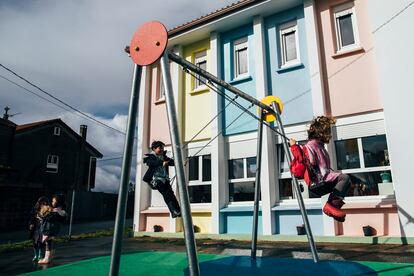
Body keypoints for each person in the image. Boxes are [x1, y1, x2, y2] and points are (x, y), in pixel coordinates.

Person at [289, 116, 351, 222]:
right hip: (317, 181)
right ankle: (330, 206)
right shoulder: (310, 146)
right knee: (344, 178)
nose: (330, 135)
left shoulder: (321, 147)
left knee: (347, 181)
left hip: (324, 178)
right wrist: (294, 147)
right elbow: (303, 159)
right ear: (321, 133)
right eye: (328, 131)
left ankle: (333, 207)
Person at [143, 141, 181, 218]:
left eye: (163, 148)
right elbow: (150, 163)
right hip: (156, 180)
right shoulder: (151, 157)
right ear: (154, 149)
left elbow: (172, 162)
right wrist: (161, 163)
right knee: (166, 194)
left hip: (165, 179)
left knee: (171, 195)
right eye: (160, 148)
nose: (162, 149)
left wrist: (180, 163)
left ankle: (178, 210)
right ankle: (173, 211)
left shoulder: (164, 157)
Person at [38, 194, 67, 264]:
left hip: (49, 229)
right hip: (52, 229)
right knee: (50, 242)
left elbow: (50, 218)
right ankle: (50, 257)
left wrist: (41, 216)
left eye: (53, 201)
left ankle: (46, 258)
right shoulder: (59, 211)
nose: (52, 202)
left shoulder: (56, 212)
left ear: (58, 202)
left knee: (48, 243)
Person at [28, 196, 50, 262]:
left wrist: (43, 218)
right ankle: (36, 255)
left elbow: (49, 218)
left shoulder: (48, 209)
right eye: (41, 203)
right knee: (34, 242)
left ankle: (40, 255)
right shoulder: (35, 209)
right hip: (35, 227)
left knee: (40, 242)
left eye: (44, 203)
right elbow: (31, 217)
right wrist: (31, 223)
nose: (43, 204)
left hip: (42, 227)